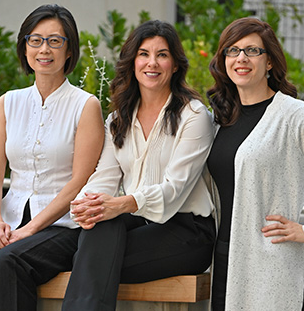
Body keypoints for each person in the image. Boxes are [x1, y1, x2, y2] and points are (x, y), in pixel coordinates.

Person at [0, 4, 104, 311]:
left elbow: (79, 181)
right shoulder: (8, 103)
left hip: (63, 226)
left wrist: (31, 229)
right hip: (11, 219)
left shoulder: (85, 106)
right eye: (35, 40)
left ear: (69, 50)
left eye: (55, 41)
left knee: (8, 261)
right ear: (25, 47)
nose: (44, 49)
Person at [206, 17, 304, 311]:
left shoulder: (293, 115)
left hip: (272, 267)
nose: (241, 58)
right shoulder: (221, 118)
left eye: (253, 50)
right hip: (226, 259)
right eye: (232, 50)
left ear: (269, 62)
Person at [62, 20, 216, 311]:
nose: (152, 63)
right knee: (98, 230)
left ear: (174, 64)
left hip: (186, 232)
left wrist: (121, 204)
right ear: (132, 61)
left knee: (92, 257)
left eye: (162, 54)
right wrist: (88, 204)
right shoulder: (120, 117)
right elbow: (104, 176)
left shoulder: (194, 116)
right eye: (144, 54)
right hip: (138, 224)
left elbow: (175, 188)